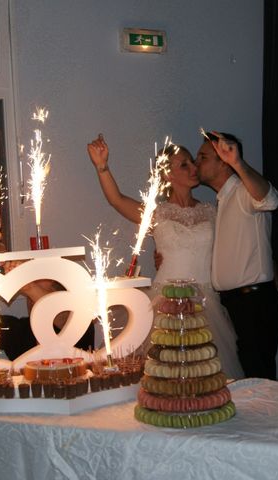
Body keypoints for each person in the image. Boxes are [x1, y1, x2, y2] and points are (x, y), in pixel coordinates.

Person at [87, 134, 244, 379]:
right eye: (184, 165)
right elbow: (117, 200)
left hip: (206, 305)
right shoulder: (157, 212)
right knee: (162, 376)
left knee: (206, 376)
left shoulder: (211, 211)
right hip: (164, 302)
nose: (193, 168)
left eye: (192, 162)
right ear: (167, 174)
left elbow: (234, 244)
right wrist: (102, 166)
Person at [195, 131, 278, 380]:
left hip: (253, 302)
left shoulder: (244, 192)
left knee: (258, 379)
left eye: (203, 156)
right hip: (234, 304)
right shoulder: (222, 200)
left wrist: (238, 163)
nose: (196, 162)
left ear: (223, 160)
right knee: (246, 380)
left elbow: (271, 199)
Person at [0, 260, 94, 360]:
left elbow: (60, 314)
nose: (31, 301)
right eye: (29, 298)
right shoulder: (20, 330)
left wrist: (27, 285)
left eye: (39, 291)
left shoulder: (80, 321)